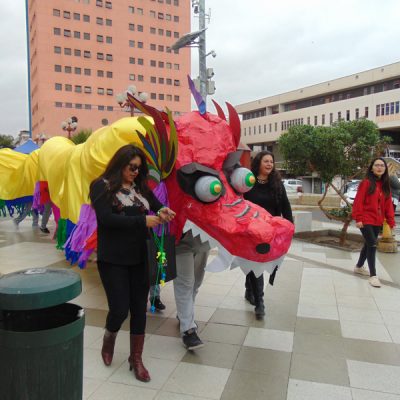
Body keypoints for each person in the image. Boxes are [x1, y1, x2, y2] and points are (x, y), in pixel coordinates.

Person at [89, 144, 175, 382]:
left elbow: (156, 205)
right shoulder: (101, 185)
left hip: (141, 257)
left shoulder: (141, 187)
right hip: (113, 258)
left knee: (139, 309)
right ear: (120, 164)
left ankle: (136, 358)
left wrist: (164, 210)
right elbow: (106, 219)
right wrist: (141, 221)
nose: (136, 172)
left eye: (139, 168)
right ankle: (109, 339)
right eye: (132, 167)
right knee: (118, 309)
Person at [243, 150, 293, 318]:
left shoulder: (277, 184)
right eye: (266, 161)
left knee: (258, 264)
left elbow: (285, 206)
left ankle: (250, 289)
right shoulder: (248, 182)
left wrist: (289, 227)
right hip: (251, 230)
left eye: (271, 161)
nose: (270, 164)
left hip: (269, 231)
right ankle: (260, 302)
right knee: (255, 264)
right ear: (258, 163)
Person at [352, 157, 395, 288]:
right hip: (365, 219)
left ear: (385, 169)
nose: (379, 167)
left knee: (368, 244)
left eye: (382, 165)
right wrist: (358, 218)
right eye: (377, 165)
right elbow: (358, 201)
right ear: (372, 168)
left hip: (378, 220)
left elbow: (388, 205)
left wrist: (391, 221)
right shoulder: (366, 183)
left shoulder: (385, 185)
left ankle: (359, 266)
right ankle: (373, 276)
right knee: (372, 244)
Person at [174, 230, 210, 349]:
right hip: (181, 241)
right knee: (185, 284)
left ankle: (184, 314)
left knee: (196, 282)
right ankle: (188, 329)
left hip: (204, 238)